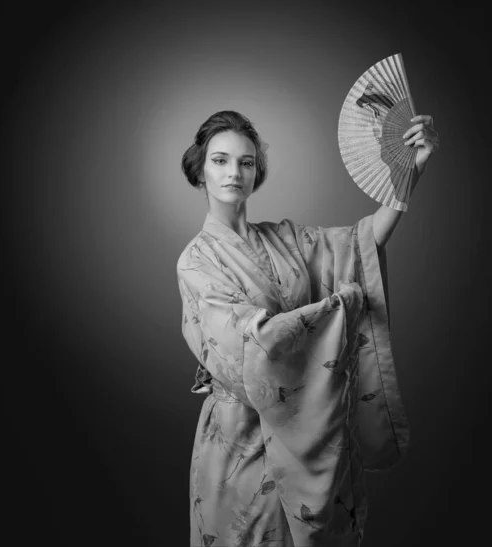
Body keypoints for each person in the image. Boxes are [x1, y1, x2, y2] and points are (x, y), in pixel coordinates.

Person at [176, 110, 439, 547]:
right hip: (240, 440)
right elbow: (249, 347)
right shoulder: (197, 260)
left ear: (257, 170)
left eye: (246, 162)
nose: (233, 172)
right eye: (219, 160)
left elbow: (362, 243)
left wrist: (413, 167)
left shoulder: (284, 238)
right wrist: (338, 308)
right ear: (199, 169)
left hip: (307, 434)